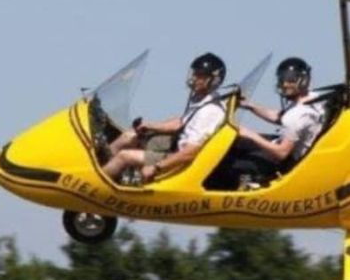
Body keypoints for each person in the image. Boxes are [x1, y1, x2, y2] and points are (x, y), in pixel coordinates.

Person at [102, 52, 226, 184]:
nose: (194, 78)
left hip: (179, 160)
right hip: (174, 147)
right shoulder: (202, 99)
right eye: (194, 73)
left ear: (214, 80)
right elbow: (182, 122)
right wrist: (150, 126)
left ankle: (93, 186)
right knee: (129, 136)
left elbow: (190, 152)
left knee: (124, 156)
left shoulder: (210, 111)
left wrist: (157, 167)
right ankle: (98, 168)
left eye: (200, 75)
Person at [235, 57, 324, 187]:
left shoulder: (297, 116)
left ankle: (245, 192)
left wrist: (251, 135)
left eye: (291, 80)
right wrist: (249, 105)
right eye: (282, 79)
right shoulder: (313, 99)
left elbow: (281, 153)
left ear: (303, 80)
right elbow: (280, 117)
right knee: (237, 142)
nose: (285, 84)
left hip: (286, 160)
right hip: (291, 146)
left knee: (236, 164)